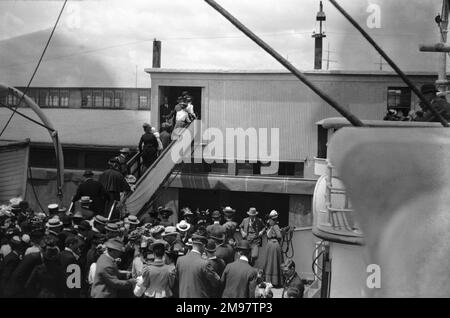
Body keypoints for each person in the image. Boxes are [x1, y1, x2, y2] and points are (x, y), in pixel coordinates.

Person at [263, 210, 283, 287]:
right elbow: (279, 236)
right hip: (273, 245)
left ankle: (272, 281)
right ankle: (273, 281)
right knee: (273, 262)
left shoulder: (274, 227)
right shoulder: (273, 226)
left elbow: (279, 236)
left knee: (272, 262)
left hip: (272, 245)